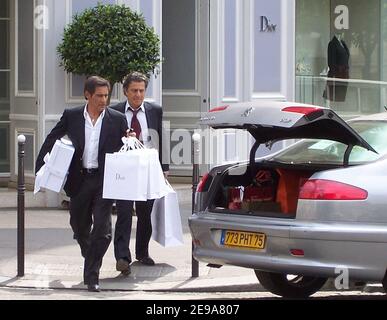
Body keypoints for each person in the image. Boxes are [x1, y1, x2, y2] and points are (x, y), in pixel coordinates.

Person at [35, 76, 128, 292]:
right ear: (87, 95)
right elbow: (52, 138)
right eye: (99, 96)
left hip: (104, 180)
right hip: (80, 179)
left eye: (106, 95)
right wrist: (40, 165)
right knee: (78, 224)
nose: (104, 100)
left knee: (102, 231)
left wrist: (130, 137)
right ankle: (90, 252)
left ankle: (91, 276)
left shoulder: (117, 118)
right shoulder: (72, 116)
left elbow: (127, 145)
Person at [111, 71, 169, 275]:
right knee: (124, 213)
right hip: (125, 171)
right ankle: (122, 257)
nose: (138, 94)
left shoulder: (155, 110)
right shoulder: (114, 111)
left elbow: (162, 137)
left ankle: (142, 253)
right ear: (125, 91)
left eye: (141, 91)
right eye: (134, 90)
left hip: (148, 169)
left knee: (146, 214)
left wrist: (164, 168)